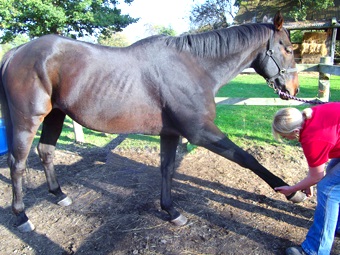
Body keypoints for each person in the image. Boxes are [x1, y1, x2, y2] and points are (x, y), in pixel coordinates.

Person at [272, 102, 340, 255]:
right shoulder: (309, 114)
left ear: (295, 131)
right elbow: (316, 173)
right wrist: (309, 181)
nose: (287, 139)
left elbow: (317, 176)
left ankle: (315, 250)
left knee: (328, 189)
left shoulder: (313, 138)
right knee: (332, 177)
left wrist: (292, 189)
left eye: (286, 137)